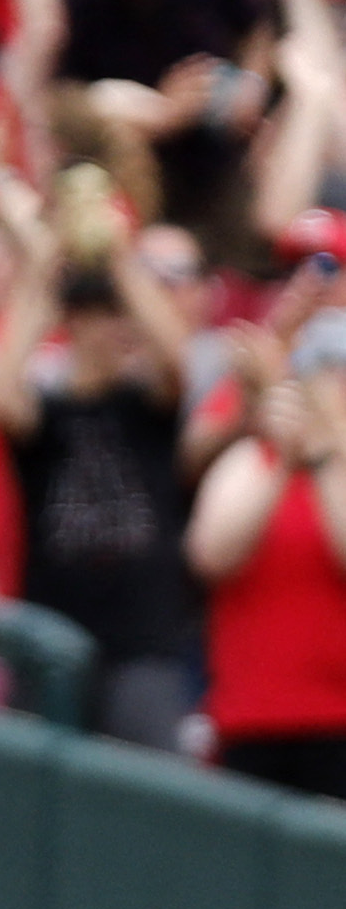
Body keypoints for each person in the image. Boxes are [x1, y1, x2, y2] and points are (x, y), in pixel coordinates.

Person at [0, 179, 202, 749]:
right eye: (109, 315)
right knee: (37, 808)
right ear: (74, 320)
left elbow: (177, 356)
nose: (126, 329)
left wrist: (120, 255)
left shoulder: (145, 407)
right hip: (52, 637)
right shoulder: (45, 414)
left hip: (142, 640)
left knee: (148, 805)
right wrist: (42, 274)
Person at [188, 314, 346, 796]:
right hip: (251, 718)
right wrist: (283, 460)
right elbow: (211, 555)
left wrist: (323, 459)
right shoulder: (252, 462)